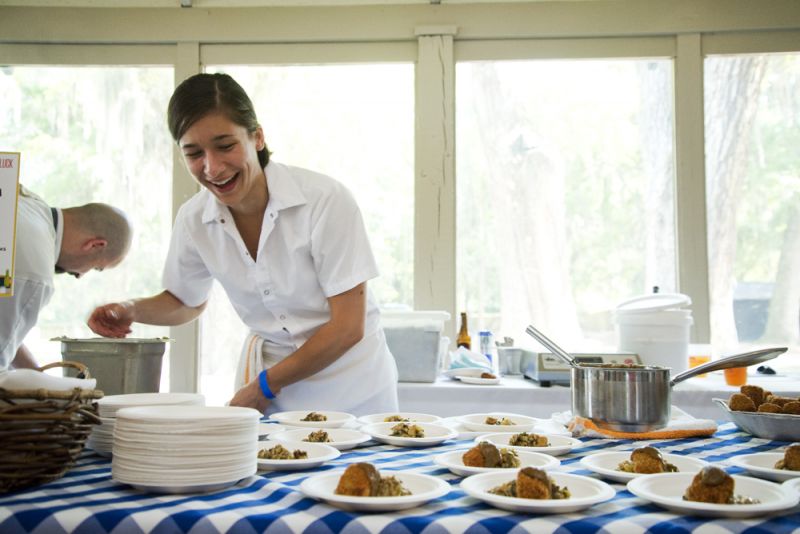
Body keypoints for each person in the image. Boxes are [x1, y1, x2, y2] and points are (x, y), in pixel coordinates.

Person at [88, 73, 399, 415]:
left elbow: (347, 327)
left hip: (352, 388)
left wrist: (264, 385)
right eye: (194, 153)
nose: (212, 167)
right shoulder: (194, 220)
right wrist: (131, 309)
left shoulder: (324, 200)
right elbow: (185, 301)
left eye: (225, 146)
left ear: (258, 137)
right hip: (276, 392)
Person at [0, 186, 132, 371]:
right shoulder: (34, 274)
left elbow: (6, 334)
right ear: (95, 245)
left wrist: (39, 377)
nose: (80, 275)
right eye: (95, 267)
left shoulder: (26, 203)